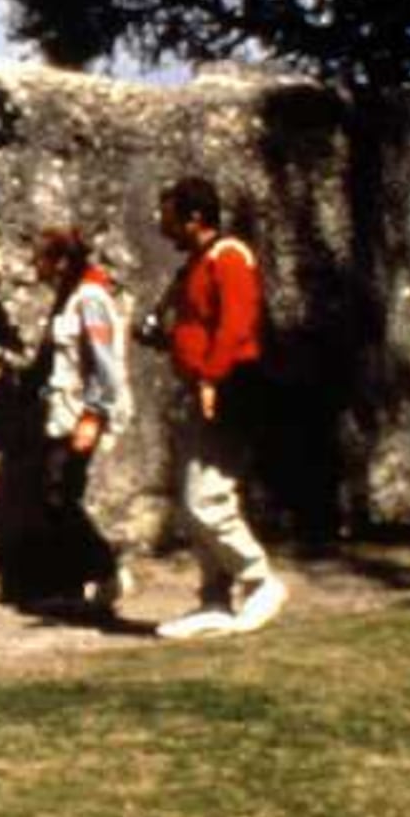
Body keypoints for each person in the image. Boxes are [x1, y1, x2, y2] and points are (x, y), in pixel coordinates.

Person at [147, 175, 287, 639]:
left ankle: (258, 578)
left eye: (167, 213)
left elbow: (235, 325)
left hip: (229, 388)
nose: (160, 223)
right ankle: (213, 598)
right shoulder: (195, 264)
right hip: (201, 387)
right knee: (191, 501)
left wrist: (211, 378)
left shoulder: (229, 257)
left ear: (194, 217)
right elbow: (195, 327)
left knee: (207, 498)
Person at [29, 224, 132, 616]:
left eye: (41, 258)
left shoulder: (90, 299)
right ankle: (77, 583)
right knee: (57, 494)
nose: (34, 266)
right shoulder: (70, 298)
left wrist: (93, 415)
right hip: (64, 414)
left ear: (62, 261)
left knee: (58, 494)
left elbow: (104, 365)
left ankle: (104, 571)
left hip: (79, 415)